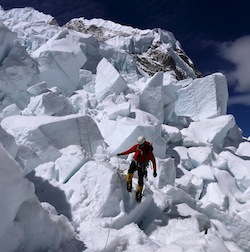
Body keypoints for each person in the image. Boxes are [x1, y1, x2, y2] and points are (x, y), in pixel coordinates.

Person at [117, 136, 157, 202]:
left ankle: (139, 192)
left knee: (140, 179)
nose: (139, 146)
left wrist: (154, 170)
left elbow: (153, 161)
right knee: (130, 172)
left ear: (144, 143)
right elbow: (129, 151)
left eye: (140, 145)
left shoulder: (148, 151)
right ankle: (129, 184)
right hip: (135, 161)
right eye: (139, 144)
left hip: (142, 165)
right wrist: (121, 154)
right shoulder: (137, 146)